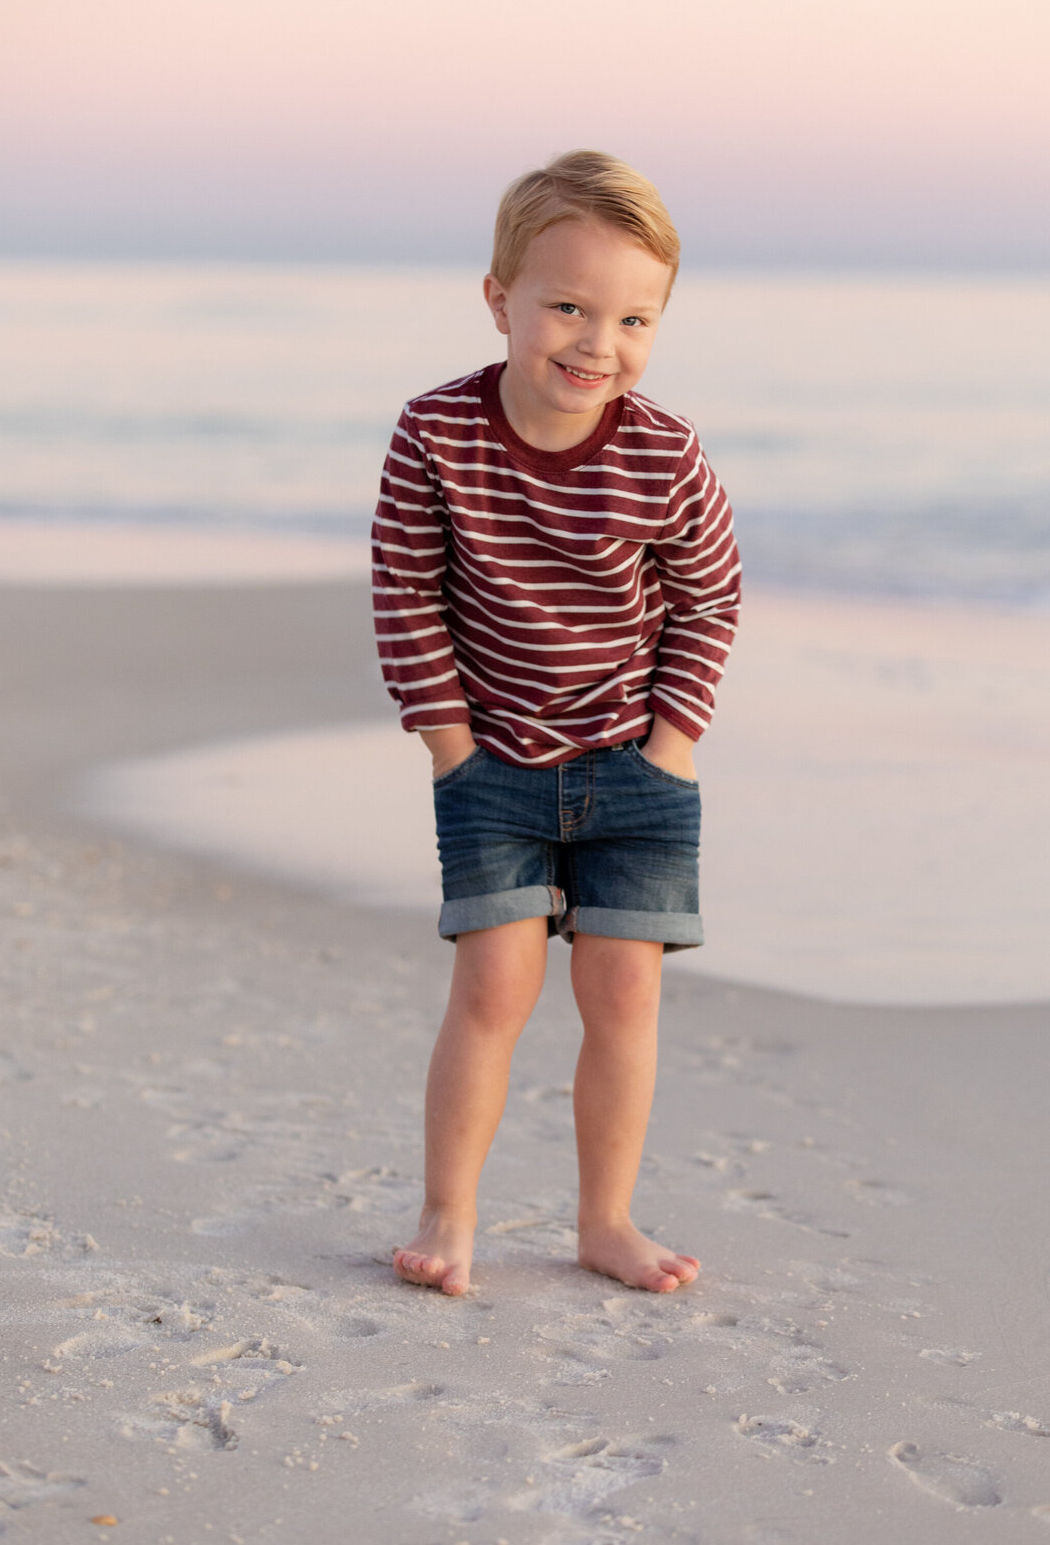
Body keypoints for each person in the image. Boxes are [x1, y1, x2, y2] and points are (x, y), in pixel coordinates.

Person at [371, 149, 741, 1296]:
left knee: (625, 996)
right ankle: (449, 1214)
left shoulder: (663, 451)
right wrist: (451, 748)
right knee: (493, 989)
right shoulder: (437, 435)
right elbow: (405, 591)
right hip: (494, 768)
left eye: (634, 318)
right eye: (568, 307)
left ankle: (605, 1221)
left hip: (635, 768)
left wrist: (672, 744)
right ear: (501, 302)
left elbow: (710, 590)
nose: (597, 343)